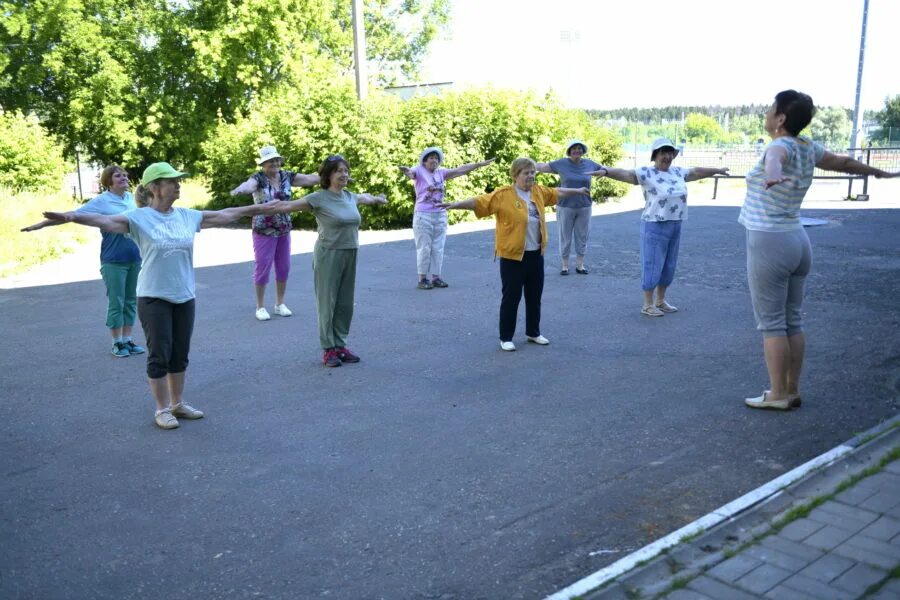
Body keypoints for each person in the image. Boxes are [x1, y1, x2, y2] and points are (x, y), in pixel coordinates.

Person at [39, 162, 286, 429]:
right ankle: (161, 409)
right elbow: (105, 221)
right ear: (155, 187)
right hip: (153, 296)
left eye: (178, 180)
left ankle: (178, 404)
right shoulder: (139, 217)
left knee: (180, 353)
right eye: (172, 181)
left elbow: (225, 215)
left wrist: (259, 208)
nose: (178, 184)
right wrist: (71, 216)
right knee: (159, 355)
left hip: (184, 295)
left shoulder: (186, 216)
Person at [739, 90, 899, 410]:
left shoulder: (778, 145)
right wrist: (877, 172)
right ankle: (792, 390)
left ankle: (777, 395)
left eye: (771, 109)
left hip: (770, 240)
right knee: (792, 321)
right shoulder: (808, 147)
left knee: (772, 325)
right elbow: (842, 162)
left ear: (780, 119)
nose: (768, 112)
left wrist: (773, 175)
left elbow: (774, 160)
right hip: (797, 240)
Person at [443, 158, 589, 351]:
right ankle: (506, 337)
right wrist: (455, 204)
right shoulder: (504, 195)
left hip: (535, 254)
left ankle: (533, 332)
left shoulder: (537, 191)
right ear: (515, 175)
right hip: (512, 257)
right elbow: (479, 202)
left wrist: (577, 191)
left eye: (532, 172)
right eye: (526, 173)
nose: (530, 176)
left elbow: (558, 192)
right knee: (511, 298)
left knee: (534, 296)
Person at [587, 138, 728, 317]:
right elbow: (625, 173)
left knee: (669, 264)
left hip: (675, 223)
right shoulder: (646, 172)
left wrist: (716, 170)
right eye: (663, 153)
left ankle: (661, 301)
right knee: (652, 263)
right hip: (654, 224)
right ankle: (647, 304)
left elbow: (696, 171)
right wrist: (606, 171)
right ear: (655, 155)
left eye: (670, 153)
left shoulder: (678, 172)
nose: (667, 157)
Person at [271, 155, 387, 367]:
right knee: (327, 302)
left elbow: (366, 198)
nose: (344, 174)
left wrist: (378, 199)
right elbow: (287, 206)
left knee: (344, 302)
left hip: (350, 252)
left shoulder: (350, 197)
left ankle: (340, 345)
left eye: (345, 170)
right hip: (328, 254)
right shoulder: (318, 198)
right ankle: (328, 349)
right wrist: (257, 208)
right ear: (328, 175)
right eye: (338, 171)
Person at [22, 165, 145, 358]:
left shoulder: (131, 199)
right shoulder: (102, 201)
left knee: (130, 301)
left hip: (134, 257)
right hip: (113, 260)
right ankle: (116, 343)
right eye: (118, 175)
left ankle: (128, 340)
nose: (124, 177)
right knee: (117, 301)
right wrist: (41, 225)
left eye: (125, 175)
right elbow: (71, 216)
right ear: (108, 181)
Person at [230, 145, 319, 321]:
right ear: (263, 164)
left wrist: (332, 177)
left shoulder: (287, 176)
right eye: (271, 161)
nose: (275, 163)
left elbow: (310, 179)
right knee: (263, 267)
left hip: (284, 229)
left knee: (284, 267)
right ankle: (260, 307)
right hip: (264, 230)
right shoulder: (259, 178)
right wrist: (241, 189)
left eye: (277, 160)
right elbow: (249, 186)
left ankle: (280, 304)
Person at [399, 148, 495, 289]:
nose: (434, 160)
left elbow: (461, 170)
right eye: (431, 158)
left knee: (438, 247)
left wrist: (479, 164)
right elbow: (411, 173)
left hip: (440, 214)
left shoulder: (441, 173)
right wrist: (407, 172)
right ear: (424, 161)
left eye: (436, 158)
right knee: (424, 248)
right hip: (423, 215)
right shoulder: (418, 170)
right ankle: (422, 279)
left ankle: (436, 277)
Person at [536, 140, 601, 275]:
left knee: (582, 236)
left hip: (584, 206)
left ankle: (580, 265)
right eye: (574, 148)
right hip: (565, 206)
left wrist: (604, 172)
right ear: (569, 151)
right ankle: (564, 266)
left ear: (583, 151)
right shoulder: (562, 163)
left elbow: (604, 169)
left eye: (579, 148)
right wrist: (527, 164)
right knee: (565, 236)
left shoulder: (589, 164)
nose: (577, 151)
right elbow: (542, 167)